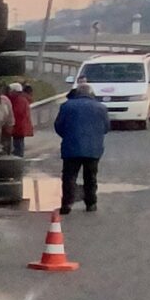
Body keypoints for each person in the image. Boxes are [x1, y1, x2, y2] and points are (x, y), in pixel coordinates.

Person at [53, 80, 109, 214]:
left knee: (69, 177)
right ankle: (91, 203)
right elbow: (106, 128)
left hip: (71, 147)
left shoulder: (66, 106)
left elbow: (58, 126)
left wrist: (67, 136)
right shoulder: (101, 107)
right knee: (90, 177)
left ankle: (67, 204)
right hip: (93, 149)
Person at [5, 83, 35, 158]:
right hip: (19, 126)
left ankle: (18, 159)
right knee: (18, 145)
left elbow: (17, 113)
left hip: (18, 126)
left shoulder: (19, 100)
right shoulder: (21, 99)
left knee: (18, 146)